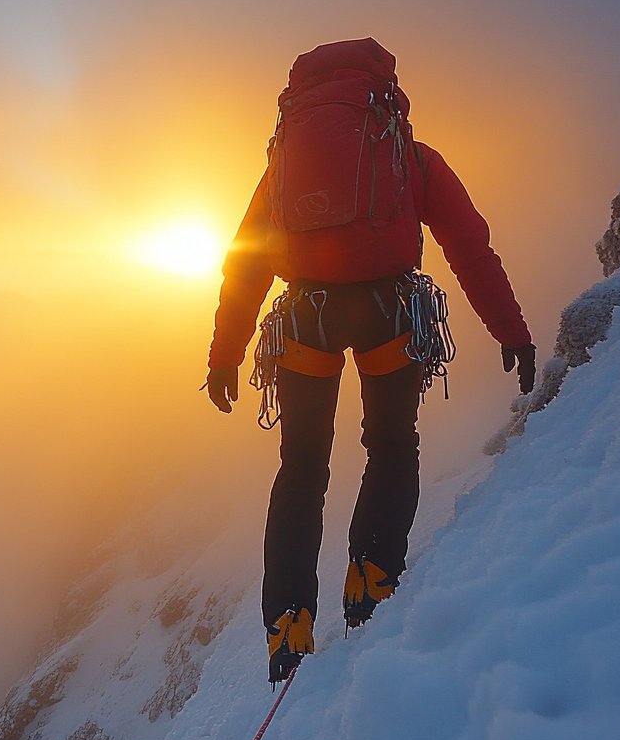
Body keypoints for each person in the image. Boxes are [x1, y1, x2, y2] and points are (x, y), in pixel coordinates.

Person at [204, 38, 537, 682]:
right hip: (391, 311)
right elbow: (470, 247)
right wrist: (512, 332)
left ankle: (289, 624)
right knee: (390, 443)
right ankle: (373, 577)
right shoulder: (411, 158)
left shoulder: (283, 170)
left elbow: (245, 263)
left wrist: (225, 353)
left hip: (306, 318)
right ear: (385, 96)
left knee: (301, 468)